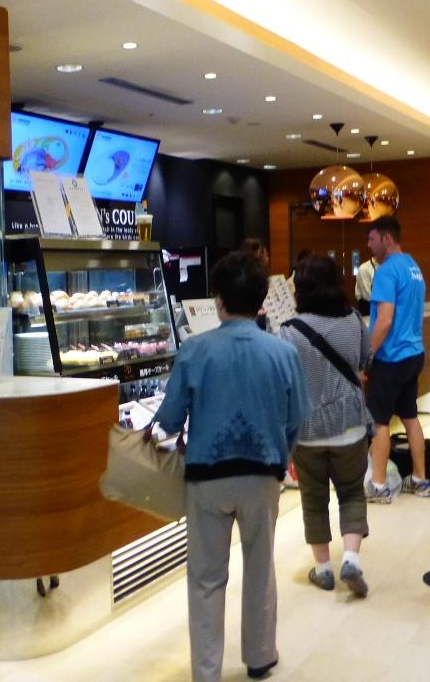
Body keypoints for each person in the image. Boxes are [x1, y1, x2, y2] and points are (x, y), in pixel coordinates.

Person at [156, 251, 309, 682]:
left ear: (218, 300)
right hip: (262, 475)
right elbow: (298, 418)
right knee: (260, 569)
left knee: (206, 578)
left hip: (206, 479)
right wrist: (282, 456)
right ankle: (259, 657)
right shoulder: (283, 353)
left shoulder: (195, 350)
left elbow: (170, 419)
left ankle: (207, 671)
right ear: (260, 300)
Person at [278, 254, 373, 597]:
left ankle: (323, 570)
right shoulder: (353, 320)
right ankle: (351, 558)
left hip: (307, 431)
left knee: (313, 499)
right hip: (350, 425)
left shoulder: (289, 330)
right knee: (351, 492)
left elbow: (284, 380)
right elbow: (366, 360)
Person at [362, 215, 430, 503]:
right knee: (410, 417)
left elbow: (384, 320)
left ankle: (378, 485)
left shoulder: (387, 271)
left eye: (372, 239)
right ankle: (420, 480)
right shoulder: (413, 267)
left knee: (379, 421)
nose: (369, 245)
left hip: (390, 359)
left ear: (386, 239)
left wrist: (366, 356)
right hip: (413, 354)